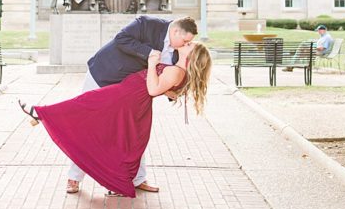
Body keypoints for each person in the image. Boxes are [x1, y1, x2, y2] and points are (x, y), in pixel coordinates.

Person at [20, 39, 212, 198]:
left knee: (86, 104)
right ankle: (43, 115)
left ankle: (41, 113)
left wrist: (153, 64)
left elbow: (152, 89)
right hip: (128, 98)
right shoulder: (177, 70)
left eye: (189, 46)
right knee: (104, 124)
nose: (186, 42)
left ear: (191, 56)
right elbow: (161, 89)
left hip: (126, 99)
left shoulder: (176, 71)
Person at [57, 15, 197, 195]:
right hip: (104, 74)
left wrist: (174, 92)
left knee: (134, 133)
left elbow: (168, 76)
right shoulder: (146, 23)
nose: (185, 45)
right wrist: (149, 53)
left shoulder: (180, 48)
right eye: (184, 40)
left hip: (132, 92)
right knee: (88, 126)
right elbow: (121, 39)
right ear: (175, 31)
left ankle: (138, 179)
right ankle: (74, 178)